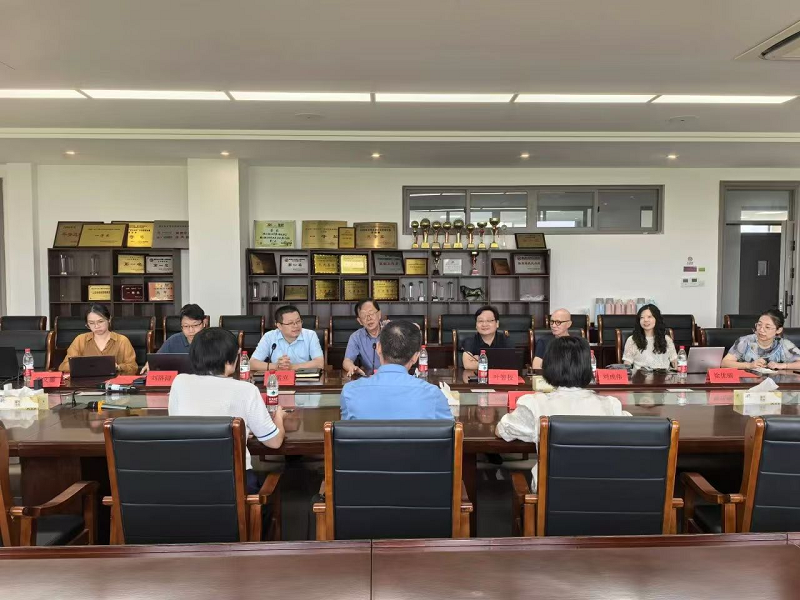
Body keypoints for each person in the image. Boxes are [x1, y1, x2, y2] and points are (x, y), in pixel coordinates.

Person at [495, 336, 628, 491]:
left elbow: (502, 430)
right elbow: (632, 434)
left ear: (550, 365)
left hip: (551, 495)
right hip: (604, 493)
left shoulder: (535, 404)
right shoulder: (611, 405)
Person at [168, 327, 285, 493]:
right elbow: (274, 442)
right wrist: (279, 417)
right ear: (231, 360)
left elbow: (178, 425)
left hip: (186, 482)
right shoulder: (246, 390)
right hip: (234, 484)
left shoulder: (179, 383)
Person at [340, 320, 452, 420]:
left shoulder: (350, 392)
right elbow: (450, 433)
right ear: (416, 357)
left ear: (378, 348)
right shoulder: (433, 395)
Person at [58, 304, 138, 375]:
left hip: (114, 384)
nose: (96, 326)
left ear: (109, 319)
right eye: (91, 323)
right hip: (86, 384)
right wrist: (87, 366)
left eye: (100, 321)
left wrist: (118, 367)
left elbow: (133, 368)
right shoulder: (80, 340)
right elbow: (63, 366)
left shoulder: (122, 341)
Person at [250, 305, 324, 372]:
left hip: (304, 379)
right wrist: (276, 366)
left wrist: (292, 367)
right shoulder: (269, 336)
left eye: (298, 321)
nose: (296, 326)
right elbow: (252, 363)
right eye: (290, 323)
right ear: (279, 326)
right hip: (278, 379)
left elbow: (320, 363)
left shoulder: (310, 335)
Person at [722, 308, 800, 370]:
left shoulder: (784, 344)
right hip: (746, 383)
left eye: (767, 327)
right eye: (759, 325)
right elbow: (724, 363)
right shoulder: (745, 341)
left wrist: (783, 366)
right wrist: (749, 365)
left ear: (778, 330)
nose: (761, 330)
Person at [622, 304, 677, 370]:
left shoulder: (666, 339)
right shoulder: (632, 340)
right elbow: (627, 364)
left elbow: (675, 362)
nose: (645, 320)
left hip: (665, 375)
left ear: (656, 319)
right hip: (640, 375)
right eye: (642, 317)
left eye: (649, 317)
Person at [342, 298, 385, 377]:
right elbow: (347, 361)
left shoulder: (392, 332)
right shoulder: (356, 337)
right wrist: (352, 367)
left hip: (393, 378)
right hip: (369, 379)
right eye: (364, 315)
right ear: (360, 321)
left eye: (371, 313)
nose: (369, 318)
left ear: (379, 314)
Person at [461, 305, 510, 370]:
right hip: (476, 376)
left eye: (489, 320)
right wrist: (497, 362)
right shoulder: (469, 341)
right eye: (480, 321)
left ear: (497, 323)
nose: (484, 324)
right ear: (476, 325)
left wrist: (479, 360)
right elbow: (468, 365)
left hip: (498, 376)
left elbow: (510, 364)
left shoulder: (506, 340)